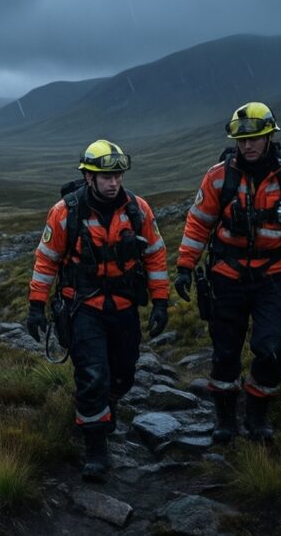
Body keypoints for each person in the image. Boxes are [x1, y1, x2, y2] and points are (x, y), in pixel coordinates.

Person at [174, 101, 281, 444]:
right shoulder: (218, 177)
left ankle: (257, 415)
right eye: (242, 140)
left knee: (273, 347)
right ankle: (225, 418)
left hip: (274, 273)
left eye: (255, 138)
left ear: (270, 136)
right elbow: (198, 224)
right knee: (225, 352)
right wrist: (185, 267)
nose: (247, 145)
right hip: (226, 275)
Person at [26, 139, 169, 482]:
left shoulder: (138, 210)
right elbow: (46, 260)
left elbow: (155, 255)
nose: (113, 182)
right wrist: (36, 306)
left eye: (118, 176)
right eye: (106, 177)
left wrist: (161, 301)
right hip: (82, 307)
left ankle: (108, 404)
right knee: (92, 374)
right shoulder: (65, 212)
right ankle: (95, 449)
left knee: (124, 373)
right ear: (88, 177)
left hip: (124, 307)